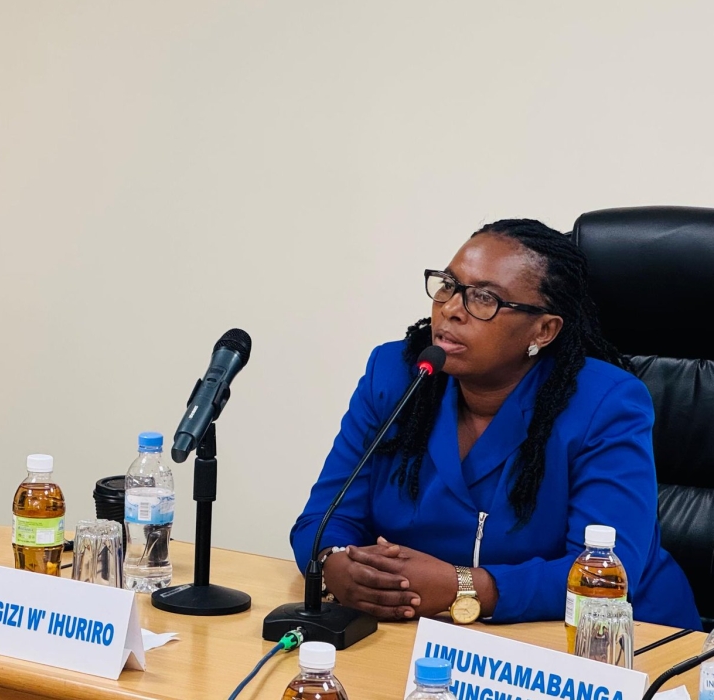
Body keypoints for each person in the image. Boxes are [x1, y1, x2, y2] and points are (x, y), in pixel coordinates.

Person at [291, 219, 700, 629]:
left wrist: (465, 587)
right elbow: (321, 520)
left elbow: (604, 574)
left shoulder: (606, 403)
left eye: (484, 298)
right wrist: (334, 567)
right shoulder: (397, 375)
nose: (451, 308)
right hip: (425, 634)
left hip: (610, 640)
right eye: (448, 285)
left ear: (543, 329)